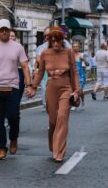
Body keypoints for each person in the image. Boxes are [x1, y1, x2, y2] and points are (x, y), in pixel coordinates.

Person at [0, 19, 31, 161]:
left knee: (13, 116)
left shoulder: (18, 47)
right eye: (1, 30)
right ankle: (1, 148)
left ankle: (13, 138)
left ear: (10, 31)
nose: (4, 32)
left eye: (6, 30)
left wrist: (29, 85)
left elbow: (25, 66)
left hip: (12, 86)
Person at [28, 27, 79, 162]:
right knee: (53, 121)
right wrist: (33, 87)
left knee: (62, 117)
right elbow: (40, 73)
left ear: (62, 40)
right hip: (51, 88)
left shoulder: (68, 52)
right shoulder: (45, 54)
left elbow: (74, 72)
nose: (56, 43)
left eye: (58, 40)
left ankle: (59, 152)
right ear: (49, 41)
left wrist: (77, 90)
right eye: (53, 40)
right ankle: (53, 144)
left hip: (66, 87)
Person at [35, 27, 71, 109]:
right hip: (46, 71)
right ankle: (47, 104)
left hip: (62, 70)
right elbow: (38, 59)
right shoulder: (41, 47)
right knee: (45, 88)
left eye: (48, 35)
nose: (47, 37)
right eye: (45, 35)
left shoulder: (64, 43)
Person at [72, 42, 88, 110]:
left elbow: (87, 64)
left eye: (77, 46)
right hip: (73, 75)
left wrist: (83, 60)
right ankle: (82, 101)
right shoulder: (70, 56)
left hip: (81, 75)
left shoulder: (82, 55)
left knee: (79, 90)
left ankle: (75, 104)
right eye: (74, 46)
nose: (75, 48)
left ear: (79, 47)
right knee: (77, 91)